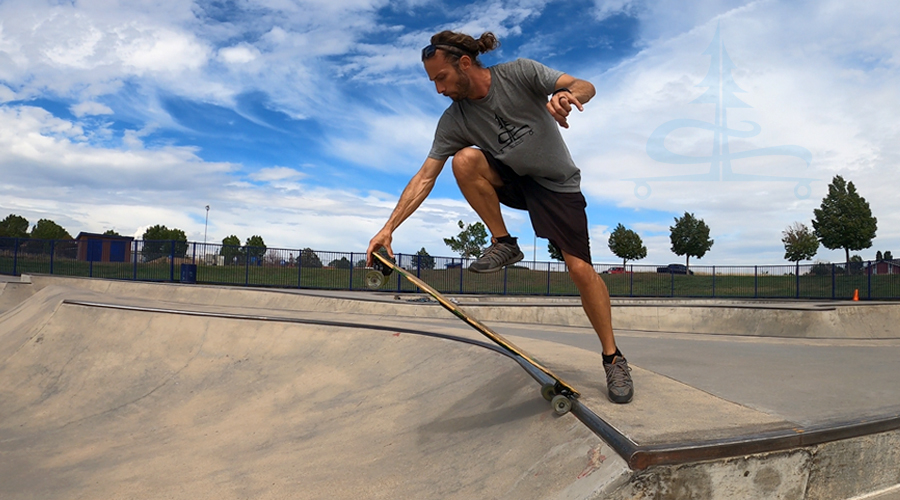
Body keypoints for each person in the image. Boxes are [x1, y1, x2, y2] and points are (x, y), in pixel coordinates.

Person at [366, 30, 633, 404]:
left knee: (580, 269)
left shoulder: (520, 74)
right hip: (511, 181)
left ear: (464, 63)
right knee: (464, 160)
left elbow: (583, 84)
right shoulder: (454, 120)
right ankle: (504, 242)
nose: (439, 90)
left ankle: (613, 357)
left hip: (556, 185)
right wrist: (388, 229)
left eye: (441, 78)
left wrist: (565, 96)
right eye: (433, 83)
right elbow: (425, 176)